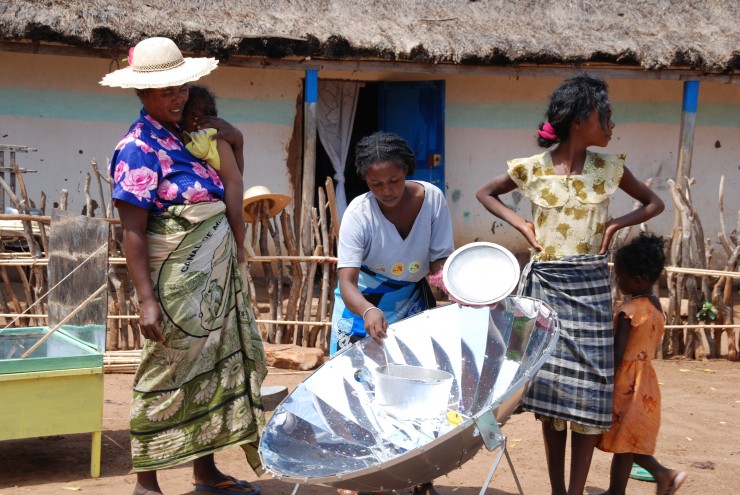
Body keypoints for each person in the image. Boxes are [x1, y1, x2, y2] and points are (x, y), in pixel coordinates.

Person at [476, 73, 664, 495]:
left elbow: (654, 203)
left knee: (589, 395)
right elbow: (486, 192)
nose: (612, 126)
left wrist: (615, 223)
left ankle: (575, 491)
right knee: (552, 397)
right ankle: (559, 490)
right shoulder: (531, 169)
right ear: (580, 120)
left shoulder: (610, 169)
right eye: (606, 117)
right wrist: (522, 222)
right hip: (547, 291)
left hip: (592, 294)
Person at [100, 37, 266, 495]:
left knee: (211, 370)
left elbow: (229, 182)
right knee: (166, 373)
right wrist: (146, 300)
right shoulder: (137, 148)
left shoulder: (189, 135)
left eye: (182, 87)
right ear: (143, 94)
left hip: (212, 280)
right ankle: (147, 483)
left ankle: (205, 472)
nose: (178, 96)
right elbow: (133, 231)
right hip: (175, 284)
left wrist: (235, 138)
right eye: (166, 90)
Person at [330, 131, 454, 495]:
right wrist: (368, 311)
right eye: (376, 183)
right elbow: (347, 281)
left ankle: (419, 476)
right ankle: (361, 475)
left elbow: (440, 260)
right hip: (362, 303)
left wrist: (449, 281)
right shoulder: (359, 212)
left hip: (412, 300)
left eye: (394, 180)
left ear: (407, 172)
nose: (386, 190)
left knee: (415, 387)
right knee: (361, 389)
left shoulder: (432, 200)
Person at [597, 233, 687, 495]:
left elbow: (618, 352)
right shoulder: (656, 306)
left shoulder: (630, 311)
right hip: (645, 381)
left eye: (620, 276)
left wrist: (604, 380)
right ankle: (616, 491)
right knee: (626, 440)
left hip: (626, 383)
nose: (617, 280)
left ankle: (664, 474)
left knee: (626, 441)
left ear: (637, 279)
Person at [182, 84, 246, 265]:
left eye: (196, 117)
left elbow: (200, 150)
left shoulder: (205, 135)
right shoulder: (212, 132)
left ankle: (240, 248)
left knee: (235, 216)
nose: (193, 122)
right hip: (232, 180)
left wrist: (185, 140)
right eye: (189, 116)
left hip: (232, 184)